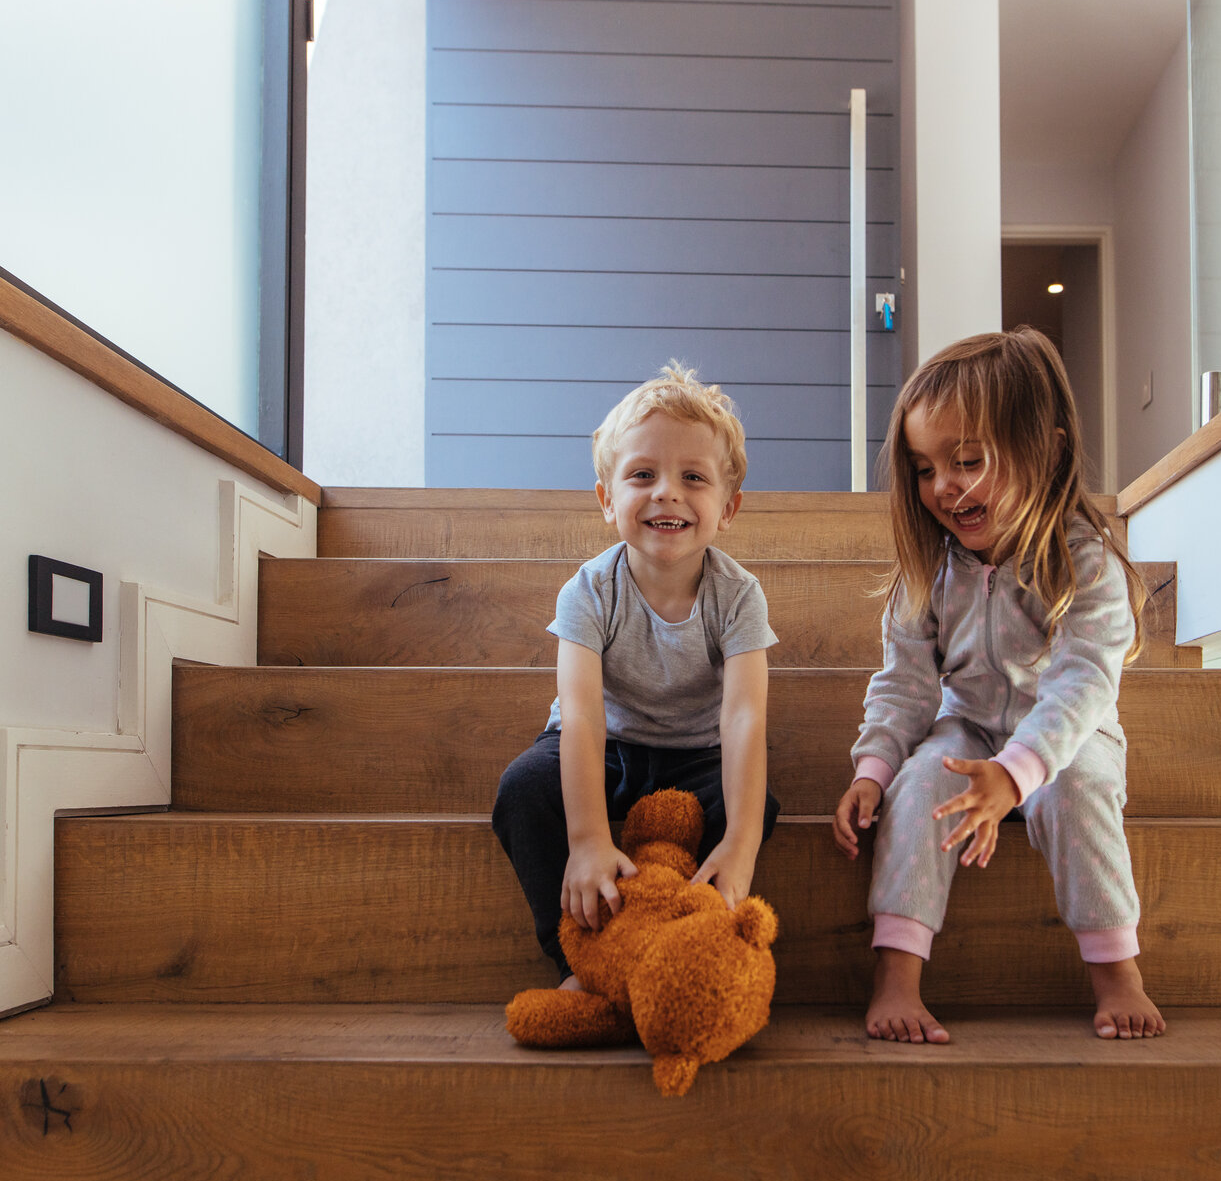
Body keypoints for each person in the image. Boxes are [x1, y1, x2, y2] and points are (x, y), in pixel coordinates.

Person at [832, 329, 1166, 1044]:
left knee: (1079, 788)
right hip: (966, 727)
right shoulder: (932, 572)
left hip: (1065, 737)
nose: (942, 487)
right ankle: (896, 977)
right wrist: (874, 768)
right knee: (921, 781)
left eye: (968, 461)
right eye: (924, 469)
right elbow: (903, 686)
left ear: (1044, 451)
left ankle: (1116, 973)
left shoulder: (1084, 565)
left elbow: (1082, 686)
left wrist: (1016, 775)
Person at [492, 363, 779, 989]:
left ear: (727, 508)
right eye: (642, 475)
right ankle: (585, 965)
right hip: (611, 749)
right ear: (606, 499)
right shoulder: (589, 591)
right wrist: (590, 837)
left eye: (693, 478)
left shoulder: (738, 595)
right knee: (522, 791)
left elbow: (744, 717)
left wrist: (743, 845)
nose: (666, 493)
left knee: (756, 807)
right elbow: (583, 718)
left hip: (697, 755)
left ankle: (686, 950)